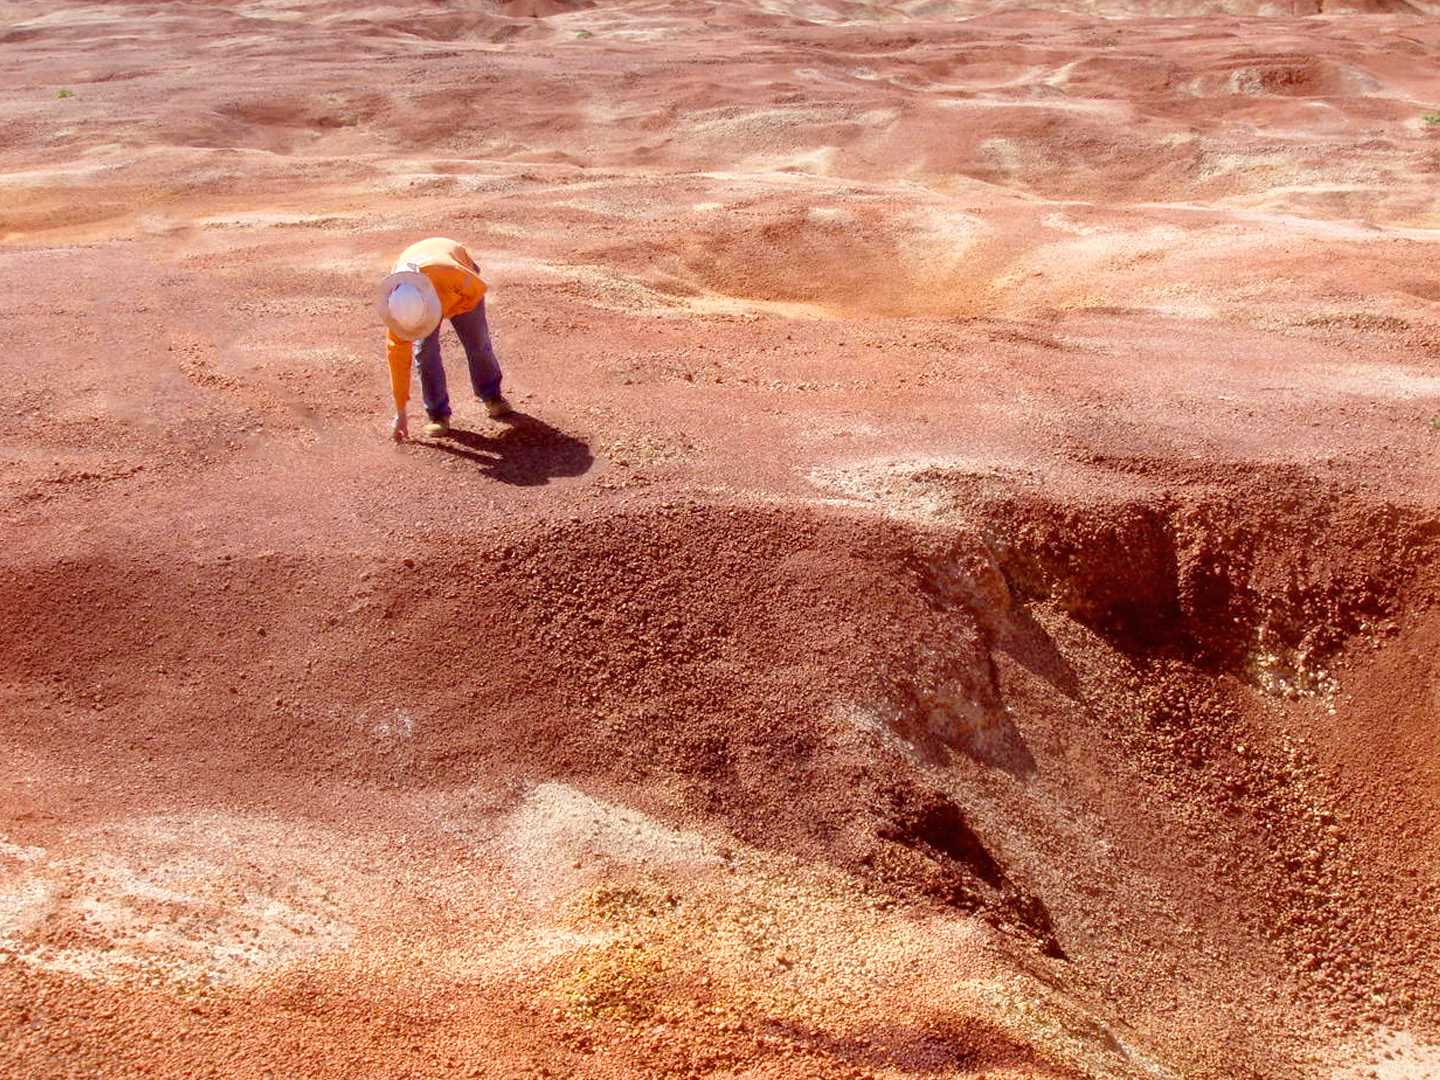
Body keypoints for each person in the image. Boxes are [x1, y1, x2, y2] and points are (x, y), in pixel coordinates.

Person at [377, 237, 513, 442]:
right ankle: (437, 413)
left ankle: (492, 395)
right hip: (430, 284)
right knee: (424, 352)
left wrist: (450, 309)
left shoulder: (455, 275)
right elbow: (397, 363)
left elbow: (477, 290)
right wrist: (401, 414)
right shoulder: (399, 309)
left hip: (457, 280)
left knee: (477, 341)